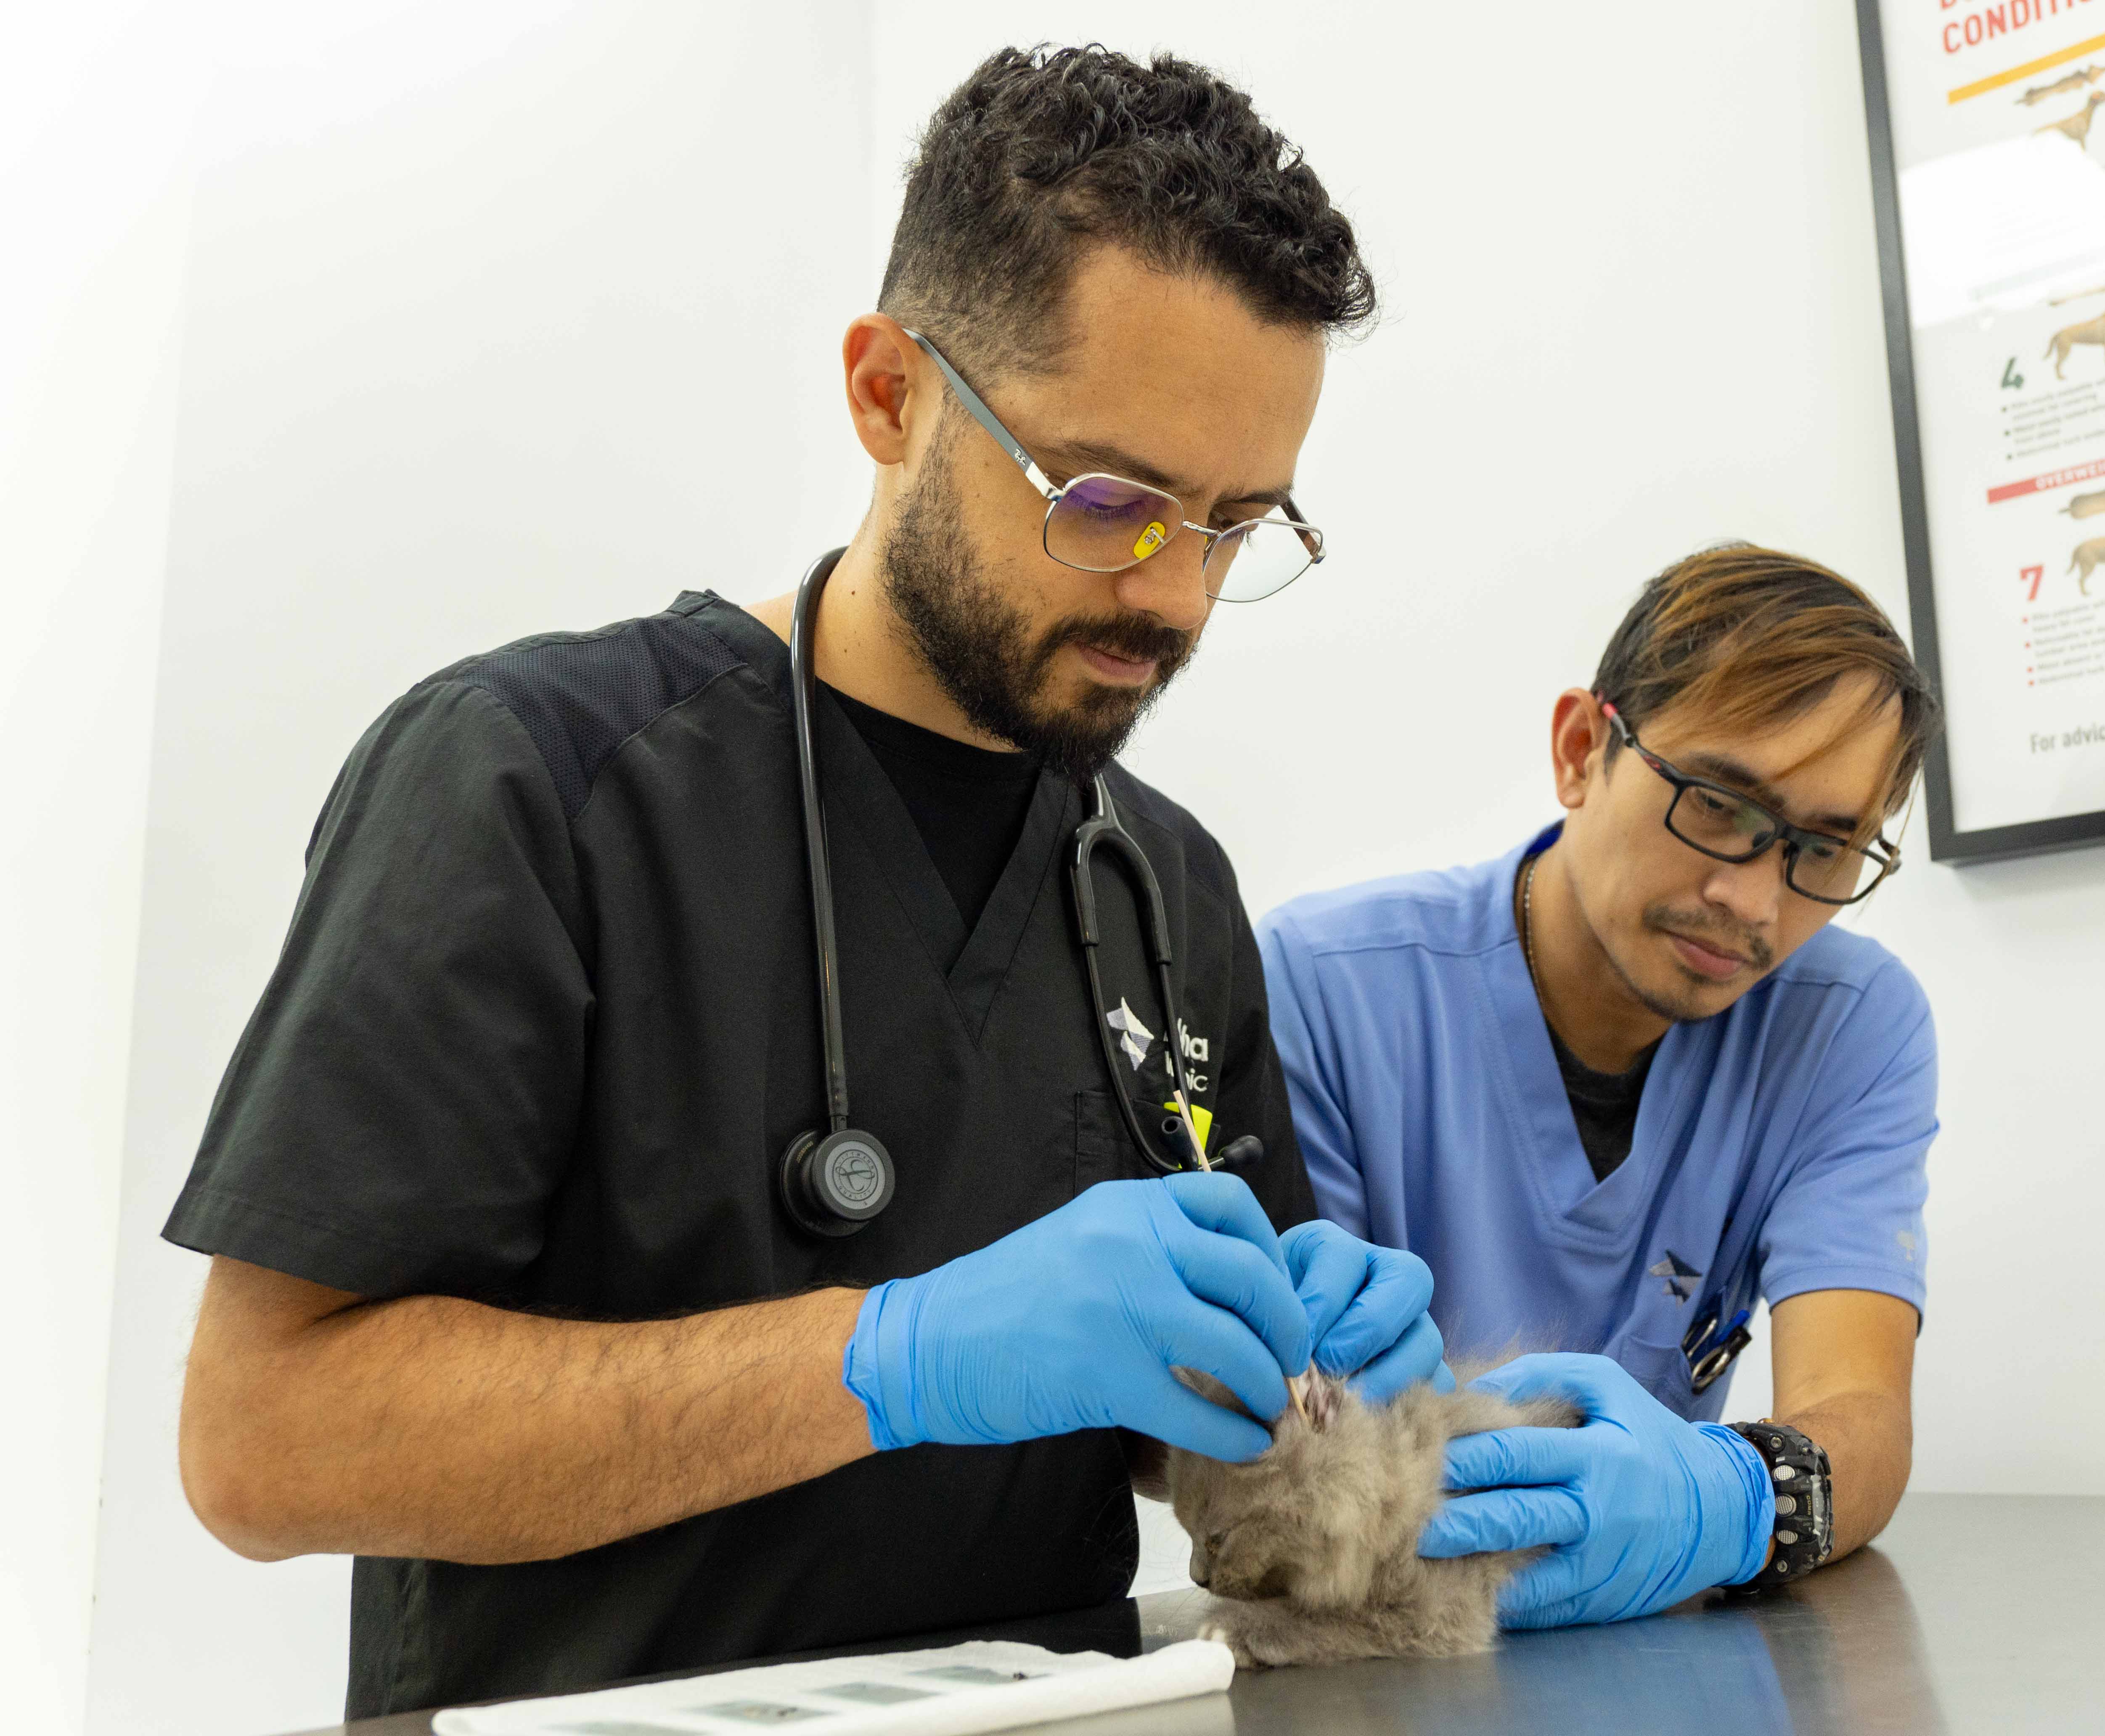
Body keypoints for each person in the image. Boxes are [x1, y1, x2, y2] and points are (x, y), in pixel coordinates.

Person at [165, 46, 1442, 1720]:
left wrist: (1311, 1390)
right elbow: (264, 1442)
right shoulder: (537, 783)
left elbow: (1167, 1419)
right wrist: (887, 1360)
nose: (1178, 595)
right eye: (1110, 498)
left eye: (1237, 521)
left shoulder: (1164, 883)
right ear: (889, 393)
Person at [1258, 545, 1943, 1627]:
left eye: (1823, 849)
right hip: (1373, 1649)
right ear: (1583, 751)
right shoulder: (1321, 988)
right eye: (1717, 804)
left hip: (1660, 1645)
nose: (1755, 902)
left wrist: (1736, 1499)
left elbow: (1856, 1411)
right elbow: (1292, 1449)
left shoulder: (1847, 1027)